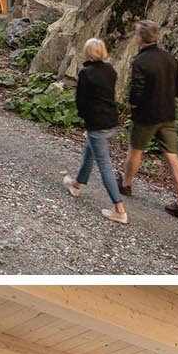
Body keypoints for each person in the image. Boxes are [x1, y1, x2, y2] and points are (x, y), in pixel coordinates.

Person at [121, 19, 178, 220]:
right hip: (168, 113)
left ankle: (126, 184)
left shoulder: (140, 62)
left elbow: (137, 91)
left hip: (146, 116)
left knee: (136, 150)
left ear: (140, 38)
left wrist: (132, 106)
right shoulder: (171, 59)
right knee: (172, 155)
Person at [62, 37, 127, 224]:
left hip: (96, 123)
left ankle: (119, 209)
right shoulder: (111, 70)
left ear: (88, 52)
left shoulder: (86, 73)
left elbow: (81, 99)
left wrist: (83, 115)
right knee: (89, 152)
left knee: (104, 164)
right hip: (111, 121)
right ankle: (76, 185)